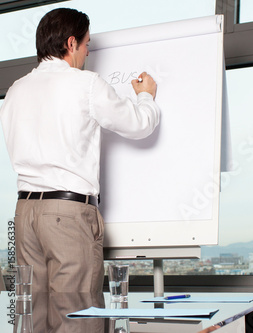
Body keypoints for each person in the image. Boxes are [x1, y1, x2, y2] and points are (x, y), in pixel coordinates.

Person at [0, 8, 160, 293]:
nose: (88, 53)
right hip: (66, 213)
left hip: (24, 215)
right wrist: (146, 95)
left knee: (30, 315)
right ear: (71, 43)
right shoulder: (85, 84)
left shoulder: (15, 90)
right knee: (77, 314)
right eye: (87, 44)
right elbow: (139, 125)